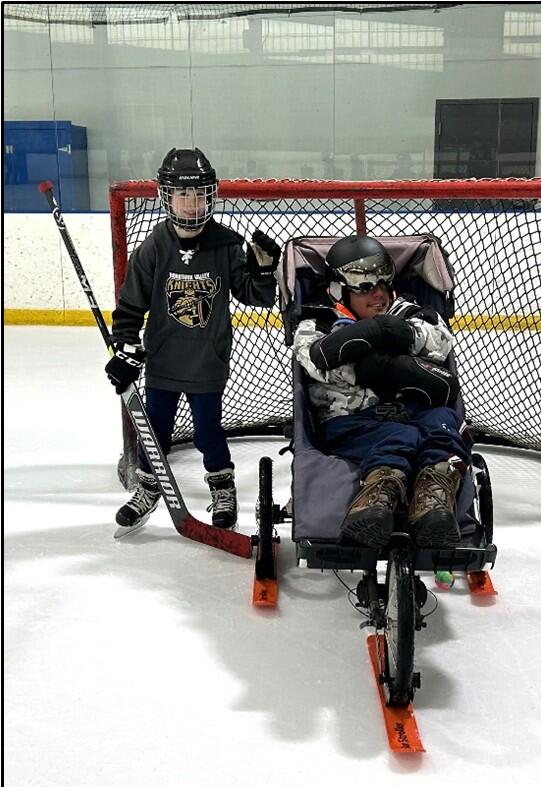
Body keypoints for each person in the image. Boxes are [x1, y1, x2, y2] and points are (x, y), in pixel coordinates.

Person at [105, 147, 281, 532]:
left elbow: (257, 296)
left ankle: (222, 486)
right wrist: (125, 345)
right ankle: (150, 489)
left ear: (211, 196)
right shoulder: (153, 248)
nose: (191, 203)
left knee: (208, 430)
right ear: (167, 196)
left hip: (207, 362)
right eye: (183, 194)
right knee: (156, 429)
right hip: (164, 362)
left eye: (199, 194)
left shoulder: (226, 245)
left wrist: (265, 272)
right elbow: (130, 306)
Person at [292, 234, 472, 551]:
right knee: (400, 437)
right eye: (364, 287)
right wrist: (387, 361)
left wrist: (391, 338)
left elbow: (440, 343)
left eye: (382, 283)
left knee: (444, 421)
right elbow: (317, 362)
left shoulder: (410, 312)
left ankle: (433, 500)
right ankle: (375, 502)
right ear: (339, 289)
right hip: (352, 421)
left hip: (411, 413)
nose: (377, 294)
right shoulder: (319, 321)